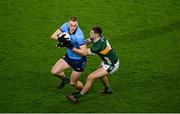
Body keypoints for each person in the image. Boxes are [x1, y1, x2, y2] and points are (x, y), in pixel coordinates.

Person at [66, 26, 120, 103]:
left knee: (90, 77)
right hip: (107, 61)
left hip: (112, 65)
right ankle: (108, 89)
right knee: (100, 74)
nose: (89, 33)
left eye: (91, 33)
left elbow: (84, 53)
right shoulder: (99, 38)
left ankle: (77, 97)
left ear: (96, 34)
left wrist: (70, 47)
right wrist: (74, 43)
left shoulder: (98, 46)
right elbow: (86, 41)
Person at [50, 16, 88, 91]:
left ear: (77, 25)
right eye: (71, 25)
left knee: (73, 83)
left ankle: (82, 92)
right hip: (68, 57)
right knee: (54, 72)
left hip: (78, 61)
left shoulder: (79, 36)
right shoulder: (65, 26)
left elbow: (85, 53)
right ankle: (65, 79)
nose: (72, 27)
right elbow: (53, 36)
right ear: (68, 24)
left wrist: (71, 47)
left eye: (75, 25)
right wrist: (61, 40)